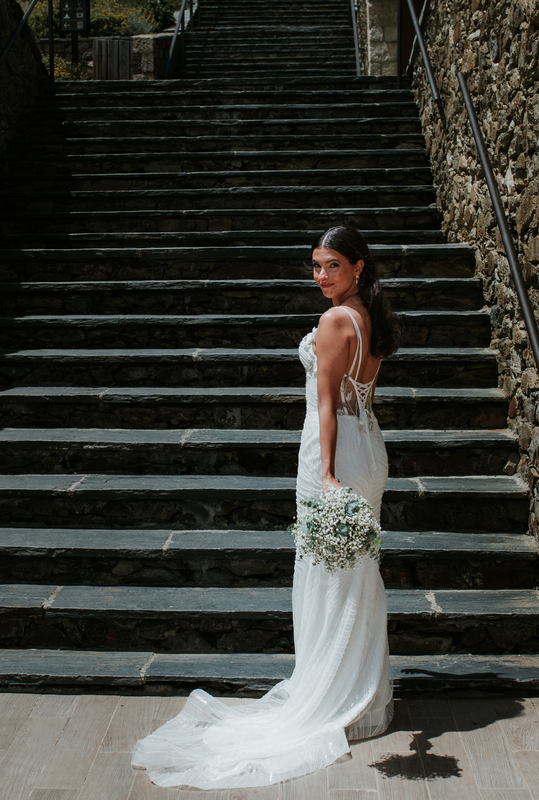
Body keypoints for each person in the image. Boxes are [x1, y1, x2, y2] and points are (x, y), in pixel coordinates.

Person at [131, 225, 403, 789]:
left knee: (330, 574)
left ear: (358, 266)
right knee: (356, 574)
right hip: (369, 448)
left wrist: (326, 475)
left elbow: (326, 405)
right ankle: (359, 694)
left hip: (334, 451)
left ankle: (332, 697)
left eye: (332, 265)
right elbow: (361, 397)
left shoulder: (335, 321)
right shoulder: (369, 315)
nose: (321, 275)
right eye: (316, 265)